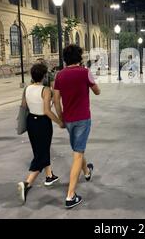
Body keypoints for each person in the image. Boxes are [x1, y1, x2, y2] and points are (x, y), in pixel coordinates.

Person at [54, 45, 101, 209]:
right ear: (79, 58)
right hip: (82, 118)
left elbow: (56, 100)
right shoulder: (84, 72)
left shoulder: (59, 75)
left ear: (65, 59)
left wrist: (60, 118)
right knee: (78, 154)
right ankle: (70, 195)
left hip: (69, 120)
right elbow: (97, 91)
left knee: (77, 150)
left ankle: (87, 172)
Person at [17, 63, 63, 204]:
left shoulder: (27, 88)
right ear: (44, 76)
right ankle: (27, 183)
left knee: (40, 149)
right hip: (43, 123)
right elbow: (47, 111)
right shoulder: (46, 90)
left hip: (31, 121)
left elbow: (24, 106)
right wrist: (59, 122)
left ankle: (49, 175)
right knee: (41, 153)